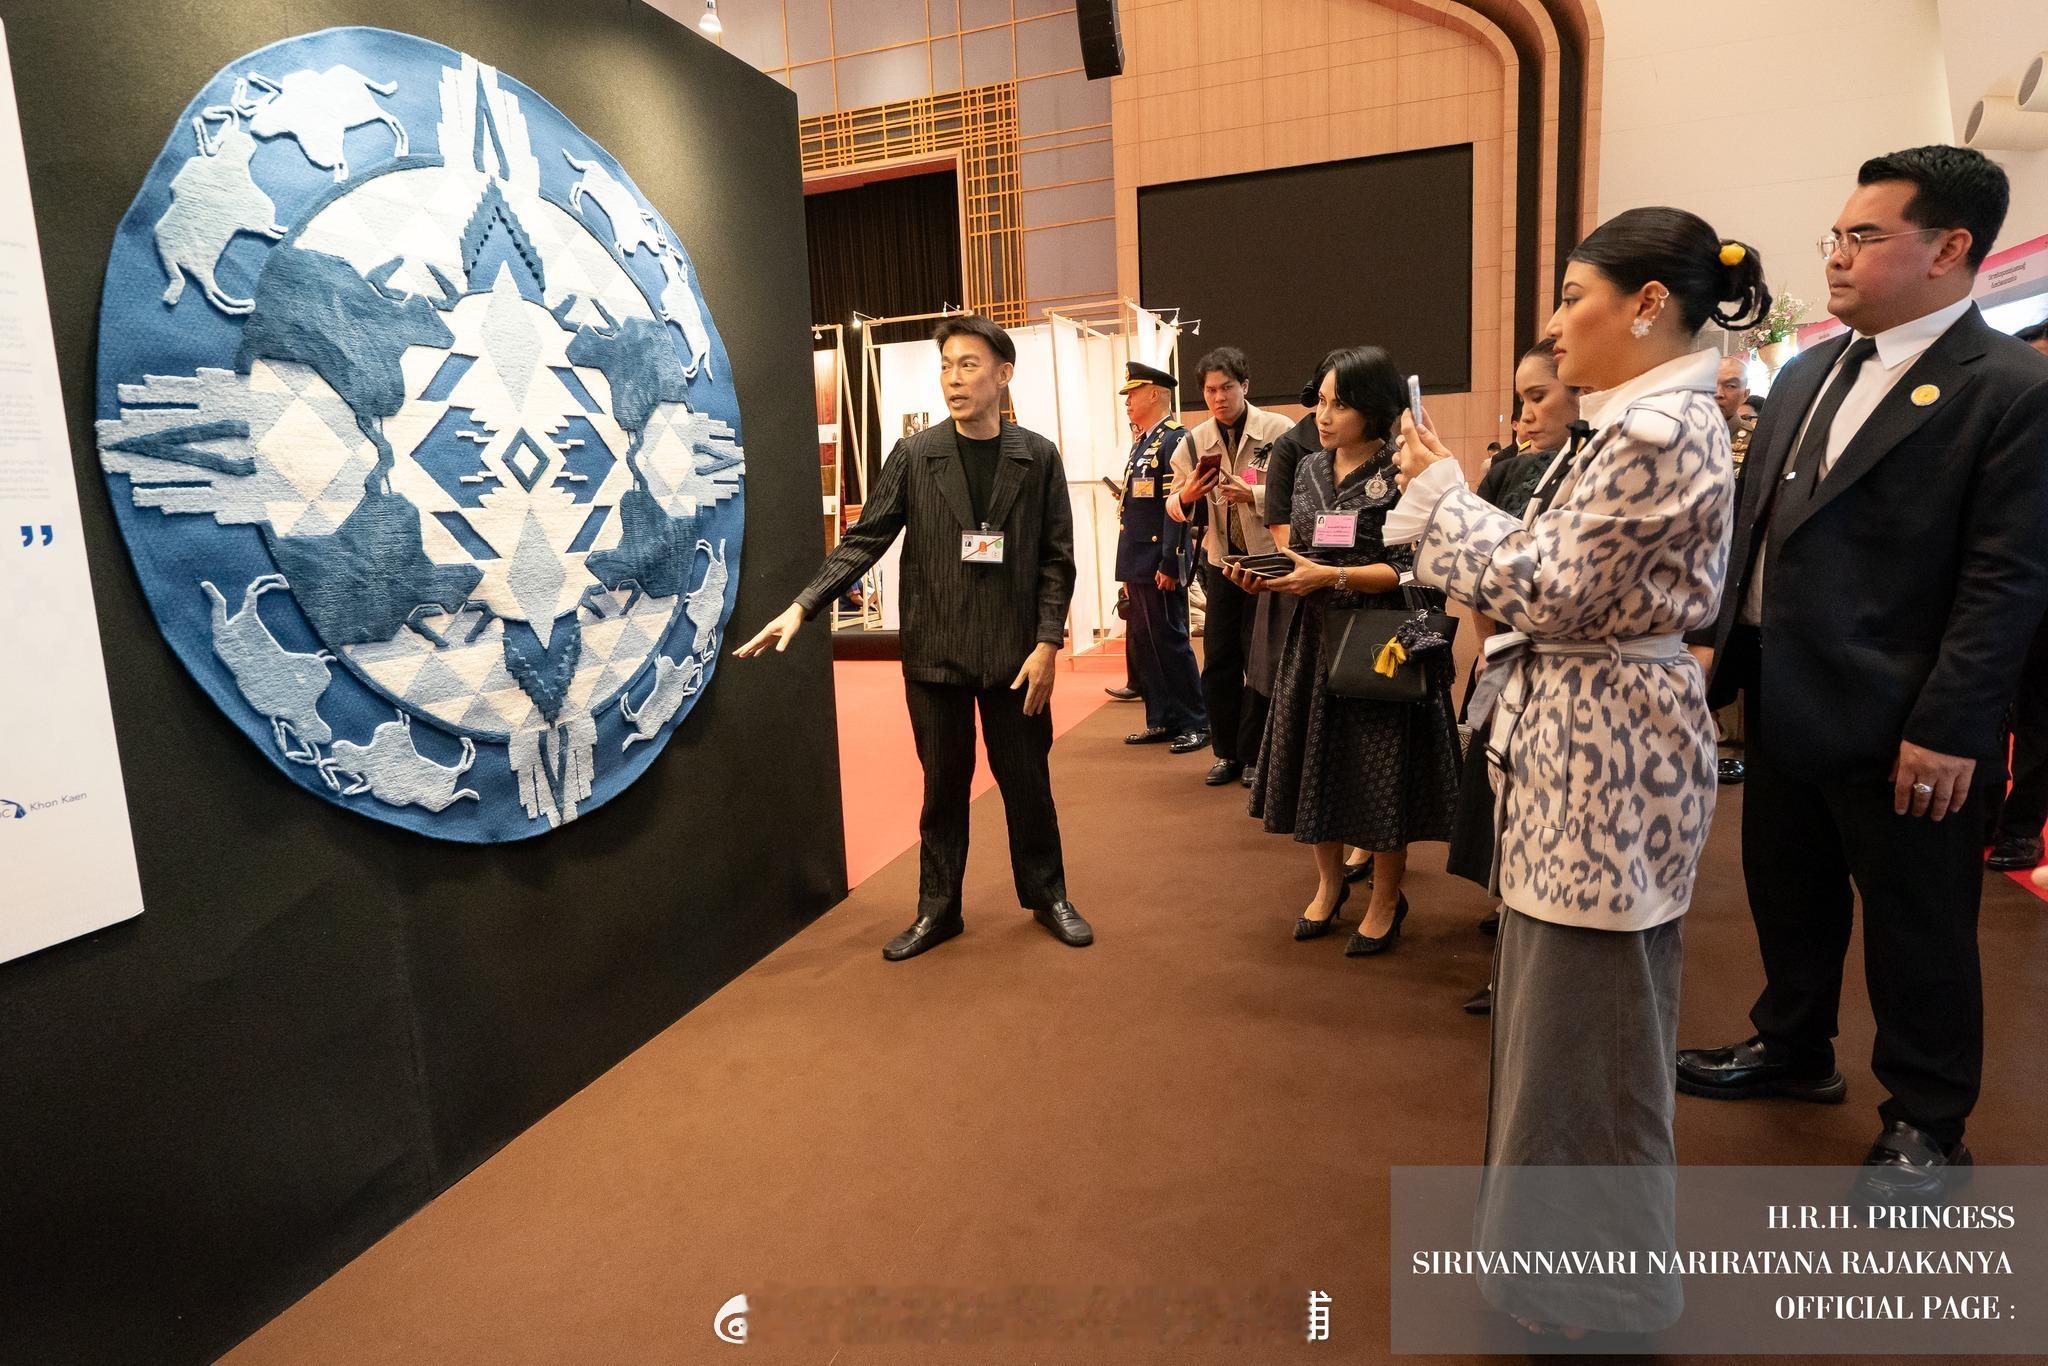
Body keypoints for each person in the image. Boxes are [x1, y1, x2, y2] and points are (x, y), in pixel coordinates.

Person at [1391, 206, 1768, 1336]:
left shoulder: (1657, 427)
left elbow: (1549, 586)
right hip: (1586, 753)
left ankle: (1595, 1293)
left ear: (1646, 304)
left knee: (1588, 1037)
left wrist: (1445, 499)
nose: (1554, 327)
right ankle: (1550, 1272)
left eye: (1570, 297)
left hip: (1606, 764)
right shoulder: (1639, 420)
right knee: (1560, 1027)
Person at [1676, 146, 2048, 1200]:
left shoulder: (2012, 390)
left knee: (1917, 929)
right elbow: (1755, 531)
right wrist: (1714, 652)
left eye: (1862, 236)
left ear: (1949, 248)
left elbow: (2006, 580)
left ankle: (1928, 1116)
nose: (1835, 256)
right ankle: (1792, 1045)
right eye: (1834, 237)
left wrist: (1950, 727)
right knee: (1786, 893)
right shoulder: (1808, 372)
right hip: (1783, 694)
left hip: (1907, 724)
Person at [734, 315, 1093, 961]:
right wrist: (804, 605)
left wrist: (1047, 644)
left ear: (1003, 375)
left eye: (968, 365)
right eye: (946, 365)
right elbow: (867, 538)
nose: (953, 378)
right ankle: (938, 908)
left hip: (1016, 656)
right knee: (942, 789)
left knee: (1027, 784)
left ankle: (1048, 895)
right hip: (936, 654)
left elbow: (1056, 560)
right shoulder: (915, 455)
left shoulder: (1036, 456)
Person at [1226, 346, 1460, 956]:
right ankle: (1329, 886)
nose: (1324, 417)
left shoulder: (1402, 469)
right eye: (1321, 402)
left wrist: (1331, 577)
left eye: (1340, 405)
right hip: (1314, 635)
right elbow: (1304, 552)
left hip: (1380, 639)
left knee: (1381, 769)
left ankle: (1386, 899)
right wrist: (1269, 577)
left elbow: (1415, 569)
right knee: (1316, 763)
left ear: (1374, 408)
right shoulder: (1308, 467)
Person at [1444, 338, 1587, 1015]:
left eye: (1538, 397)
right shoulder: (1517, 470)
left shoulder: (1594, 465)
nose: (1524, 415)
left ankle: (1526, 956)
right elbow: (1480, 574)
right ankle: (1508, 917)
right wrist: (1490, 647)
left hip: (1559, 673)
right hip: (1508, 658)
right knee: (1499, 799)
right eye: (1521, 400)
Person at [1167, 347, 1296, 785]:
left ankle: (1258, 753)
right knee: (1220, 659)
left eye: (1226, 388)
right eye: (1210, 391)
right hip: (1222, 564)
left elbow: (1300, 495)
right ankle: (1226, 752)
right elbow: (1174, 504)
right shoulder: (1193, 441)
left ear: (1245, 385)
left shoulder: (1280, 432)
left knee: (1262, 661)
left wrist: (1254, 495)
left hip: (1270, 564)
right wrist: (1188, 495)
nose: (1218, 398)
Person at [1116, 361, 1209, 752]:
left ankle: (1195, 722)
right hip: (1138, 559)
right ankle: (1162, 719)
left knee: (1170, 641)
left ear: (1154, 394)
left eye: (1133, 394)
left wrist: (1170, 562)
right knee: (1145, 643)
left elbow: (1178, 509)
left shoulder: (1175, 439)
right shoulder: (1143, 440)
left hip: (1159, 559)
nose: (1127, 401)